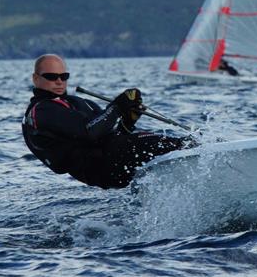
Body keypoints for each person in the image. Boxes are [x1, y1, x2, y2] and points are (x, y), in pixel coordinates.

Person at [21, 54, 193, 189]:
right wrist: (118, 106)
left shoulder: (77, 103)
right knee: (152, 142)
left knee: (152, 139)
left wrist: (127, 122)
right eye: (51, 76)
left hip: (113, 159)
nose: (59, 81)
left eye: (64, 76)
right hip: (101, 168)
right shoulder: (42, 111)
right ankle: (201, 151)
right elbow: (90, 132)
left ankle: (197, 152)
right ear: (36, 79)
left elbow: (107, 135)